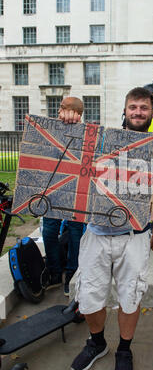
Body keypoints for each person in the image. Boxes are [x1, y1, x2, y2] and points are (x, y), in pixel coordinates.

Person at [59, 87, 153, 370]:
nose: (137, 112)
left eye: (143, 108)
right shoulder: (103, 141)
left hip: (134, 236)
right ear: (125, 110)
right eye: (132, 107)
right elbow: (69, 145)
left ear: (152, 113)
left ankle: (124, 350)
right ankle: (97, 343)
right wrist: (69, 117)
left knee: (129, 297)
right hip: (96, 233)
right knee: (91, 295)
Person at [43, 97, 86, 296]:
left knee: (77, 232)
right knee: (49, 231)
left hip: (75, 190)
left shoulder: (85, 133)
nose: (59, 110)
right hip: (54, 189)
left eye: (64, 107)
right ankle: (54, 271)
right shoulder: (51, 129)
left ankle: (71, 273)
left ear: (75, 112)